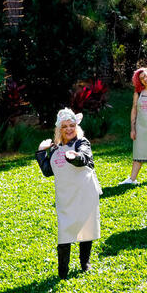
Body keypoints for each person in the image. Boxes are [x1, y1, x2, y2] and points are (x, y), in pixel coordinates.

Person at [36, 108, 102, 279]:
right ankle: (62, 271)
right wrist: (41, 152)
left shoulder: (82, 143)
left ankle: (84, 263)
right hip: (65, 196)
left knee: (86, 228)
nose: (69, 129)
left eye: (71, 125)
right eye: (64, 126)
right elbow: (47, 171)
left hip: (85, 192)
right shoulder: (55, 148)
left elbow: (85, 159)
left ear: (76, 126)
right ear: (59, 129)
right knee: (65, 231)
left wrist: (75, 156)